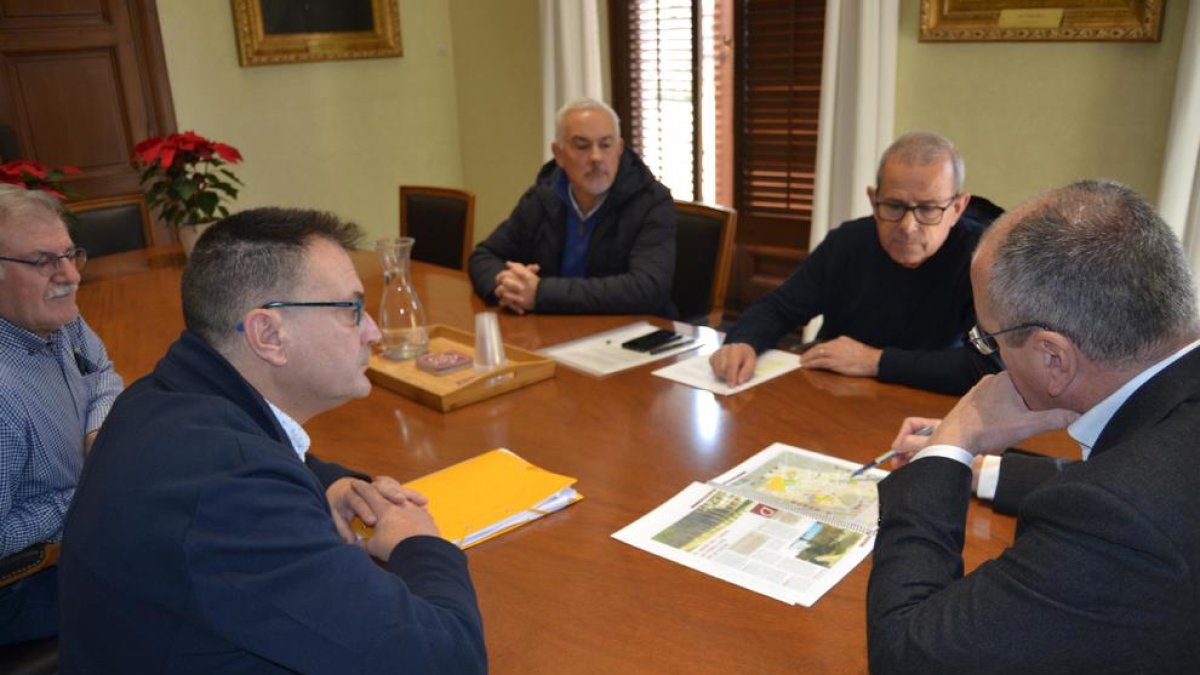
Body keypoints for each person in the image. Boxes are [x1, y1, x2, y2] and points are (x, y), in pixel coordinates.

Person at [58, 209, 486, 673]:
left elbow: (263, 449)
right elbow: (447, 661)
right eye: (351, 310)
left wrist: (328, 483)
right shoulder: (232, 491)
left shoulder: (159, 396)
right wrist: (419, 544)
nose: (374, 332)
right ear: (268, 335)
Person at [868, 180, 1200, 673]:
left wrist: (953, 442)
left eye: (988, 338)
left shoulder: (1118, 521)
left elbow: (905, 655)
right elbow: (1141, 479)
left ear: (1053, 356)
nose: (991, 355)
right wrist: (985, 473)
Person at [709, 132, 1002, 395]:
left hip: (929, 405)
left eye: (927, 209)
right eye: (894, 206)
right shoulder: (847, 243)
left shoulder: (983, 259)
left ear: (957, 208)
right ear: (874, 201)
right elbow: (778, 308)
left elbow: (987, 364)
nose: (908, 226)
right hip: (834, 394)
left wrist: (875, 361)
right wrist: (743, 342)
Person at [0, 184, 121, 644]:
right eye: (44, 262)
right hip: (23, 587)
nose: (70, 275)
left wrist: (100, 428)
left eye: (70, 255)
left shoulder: (58, 318)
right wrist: (94, 487)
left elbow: (103, 373)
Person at [468, 97, 676, 316]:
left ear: (619, 150)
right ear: (559, 154)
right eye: (582, 146)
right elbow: (484, 255)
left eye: (606, 145)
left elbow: (648, 287)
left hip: (626, 335)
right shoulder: (544, 196)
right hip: (553, 327)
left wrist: (540, 293)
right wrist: (508, 288)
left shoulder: (652, 201)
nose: (596, 157)